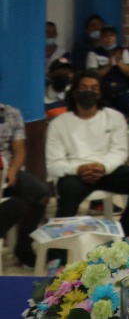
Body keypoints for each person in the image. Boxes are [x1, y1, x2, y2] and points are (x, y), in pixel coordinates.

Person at [46, 72, 129, 239]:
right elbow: (53, 164)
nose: (88, 92)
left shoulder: (115, 117)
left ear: (100, 93)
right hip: (75, 173)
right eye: (83, 88)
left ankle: (126, 235)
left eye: (94, 88)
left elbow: (119, 152)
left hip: (107, 169)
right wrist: (79, 169)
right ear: (74, 92)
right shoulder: (58, 124)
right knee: (68, 191)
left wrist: (103, 167)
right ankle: (59, 249)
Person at [0, 100, 52, 268]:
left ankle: (23, 248)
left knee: (40, 193)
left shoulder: (11, 113)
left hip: (7, 169)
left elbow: (19, 150)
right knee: (16, 205)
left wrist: (12, 171)